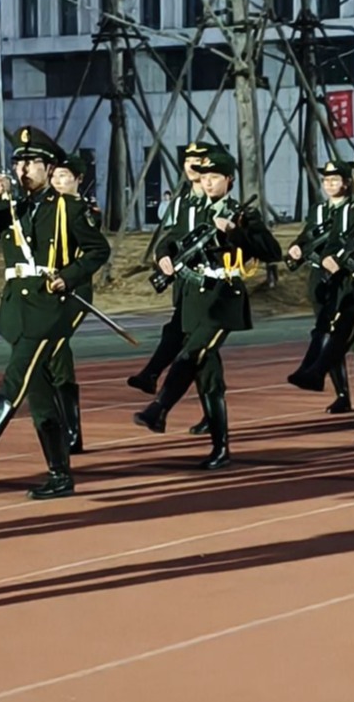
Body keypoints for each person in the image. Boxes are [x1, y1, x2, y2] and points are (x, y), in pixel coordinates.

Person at [0, 127, 110, 498]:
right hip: (18, 308)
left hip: (50, 307)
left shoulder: (68, 208)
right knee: (39, 396)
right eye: (18, 162)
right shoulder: (13, 208)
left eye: (31, 162)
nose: (22, 169)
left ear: (49, 167)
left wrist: (69, 277)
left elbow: (97, 251)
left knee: (16, 376)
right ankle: (60, 475)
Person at [134, 147, 281, 469]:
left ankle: (159, 408)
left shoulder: (241, 213)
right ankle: (220, 448)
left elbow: (272, 251)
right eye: (204, 177)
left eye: (215, 177)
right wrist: (163, 255)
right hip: (192, 298)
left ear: (229, 180)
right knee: (207, 374)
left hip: (223, 297)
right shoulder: (192, 208)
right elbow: (172, 238)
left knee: (191, 355)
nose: (209, 182)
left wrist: (235, 231)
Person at [287, 152, 354, 419]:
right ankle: (334, 388)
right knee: (334, 330)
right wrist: (328, 257)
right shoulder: (346, 210)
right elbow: (334, 242)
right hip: (344, 281)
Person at [127, 144, 211, 394]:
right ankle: (155, 383)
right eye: (187, 160)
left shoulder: (217, 203)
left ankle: (154, 386)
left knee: (186, 342)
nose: (191, 165)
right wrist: (163, 254)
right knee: (193, 350)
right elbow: (173, 236)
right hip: (186, 286)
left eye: (198, 160)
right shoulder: (181, 203)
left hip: (210, 287)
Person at [284, 159, 354, 413]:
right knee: (324, 329)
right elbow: (308, 235)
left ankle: (315, 372)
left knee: (339, 333)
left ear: (346, 183)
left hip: (344, 275)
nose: (329, 184)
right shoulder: (319, 210)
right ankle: (340, 393)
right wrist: (296, 247)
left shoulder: (353, 210)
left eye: (335, 179)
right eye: (326, 180)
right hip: (319, 275)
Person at [46, 151, 102, 453]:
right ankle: (69, 431)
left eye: (64, 176)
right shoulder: (48, 208)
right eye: (54, 176)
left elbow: (91, 253)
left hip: (75, 291)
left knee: (55, 346)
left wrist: (68, 277)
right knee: (53, 352)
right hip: (50, 291)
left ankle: (70, 430)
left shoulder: (83, 211)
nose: (57, 181)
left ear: (78, 179)